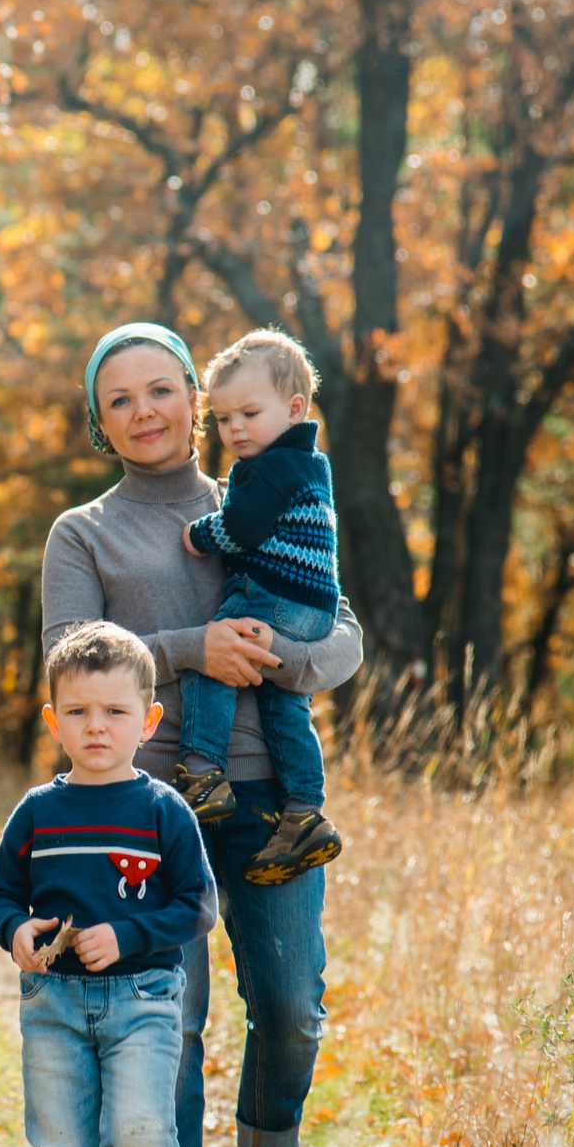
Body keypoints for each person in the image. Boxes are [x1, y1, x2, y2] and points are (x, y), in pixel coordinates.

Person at [41, 323, 364, 1147]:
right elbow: (70, 652)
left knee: (293, 1006)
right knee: (166, 1017)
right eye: (119, 400)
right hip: (145, 800)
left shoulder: (266, 488)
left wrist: (273, 658)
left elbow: (342, 632)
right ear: (102, 424)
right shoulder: (84, 532)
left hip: (268, 795)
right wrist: (194, 648)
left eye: (160, 391)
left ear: (196, 397)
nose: (144, 412)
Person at [0, 622, 214, 1147]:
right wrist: (16, 930)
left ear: (148, 720)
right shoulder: (38, 812)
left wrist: (132, 934)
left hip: (143, 1000)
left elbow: (198, 904)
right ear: (54, 721)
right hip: (53, 1004)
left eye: (114, 712)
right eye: (78, 711)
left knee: (140, 1137)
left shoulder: (162, 810)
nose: (96, 726)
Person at [174, 331, 345, 883]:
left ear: (295, 408)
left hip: (273, 594)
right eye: (223, 419)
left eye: (249, 413)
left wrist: (201, 534)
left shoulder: (271, 466)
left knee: (215, 655)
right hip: (311, 606)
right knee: (284, 703)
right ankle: (304, 811)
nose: (235, 429)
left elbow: (243, 528)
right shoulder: (305, 463)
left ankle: (202, 770)